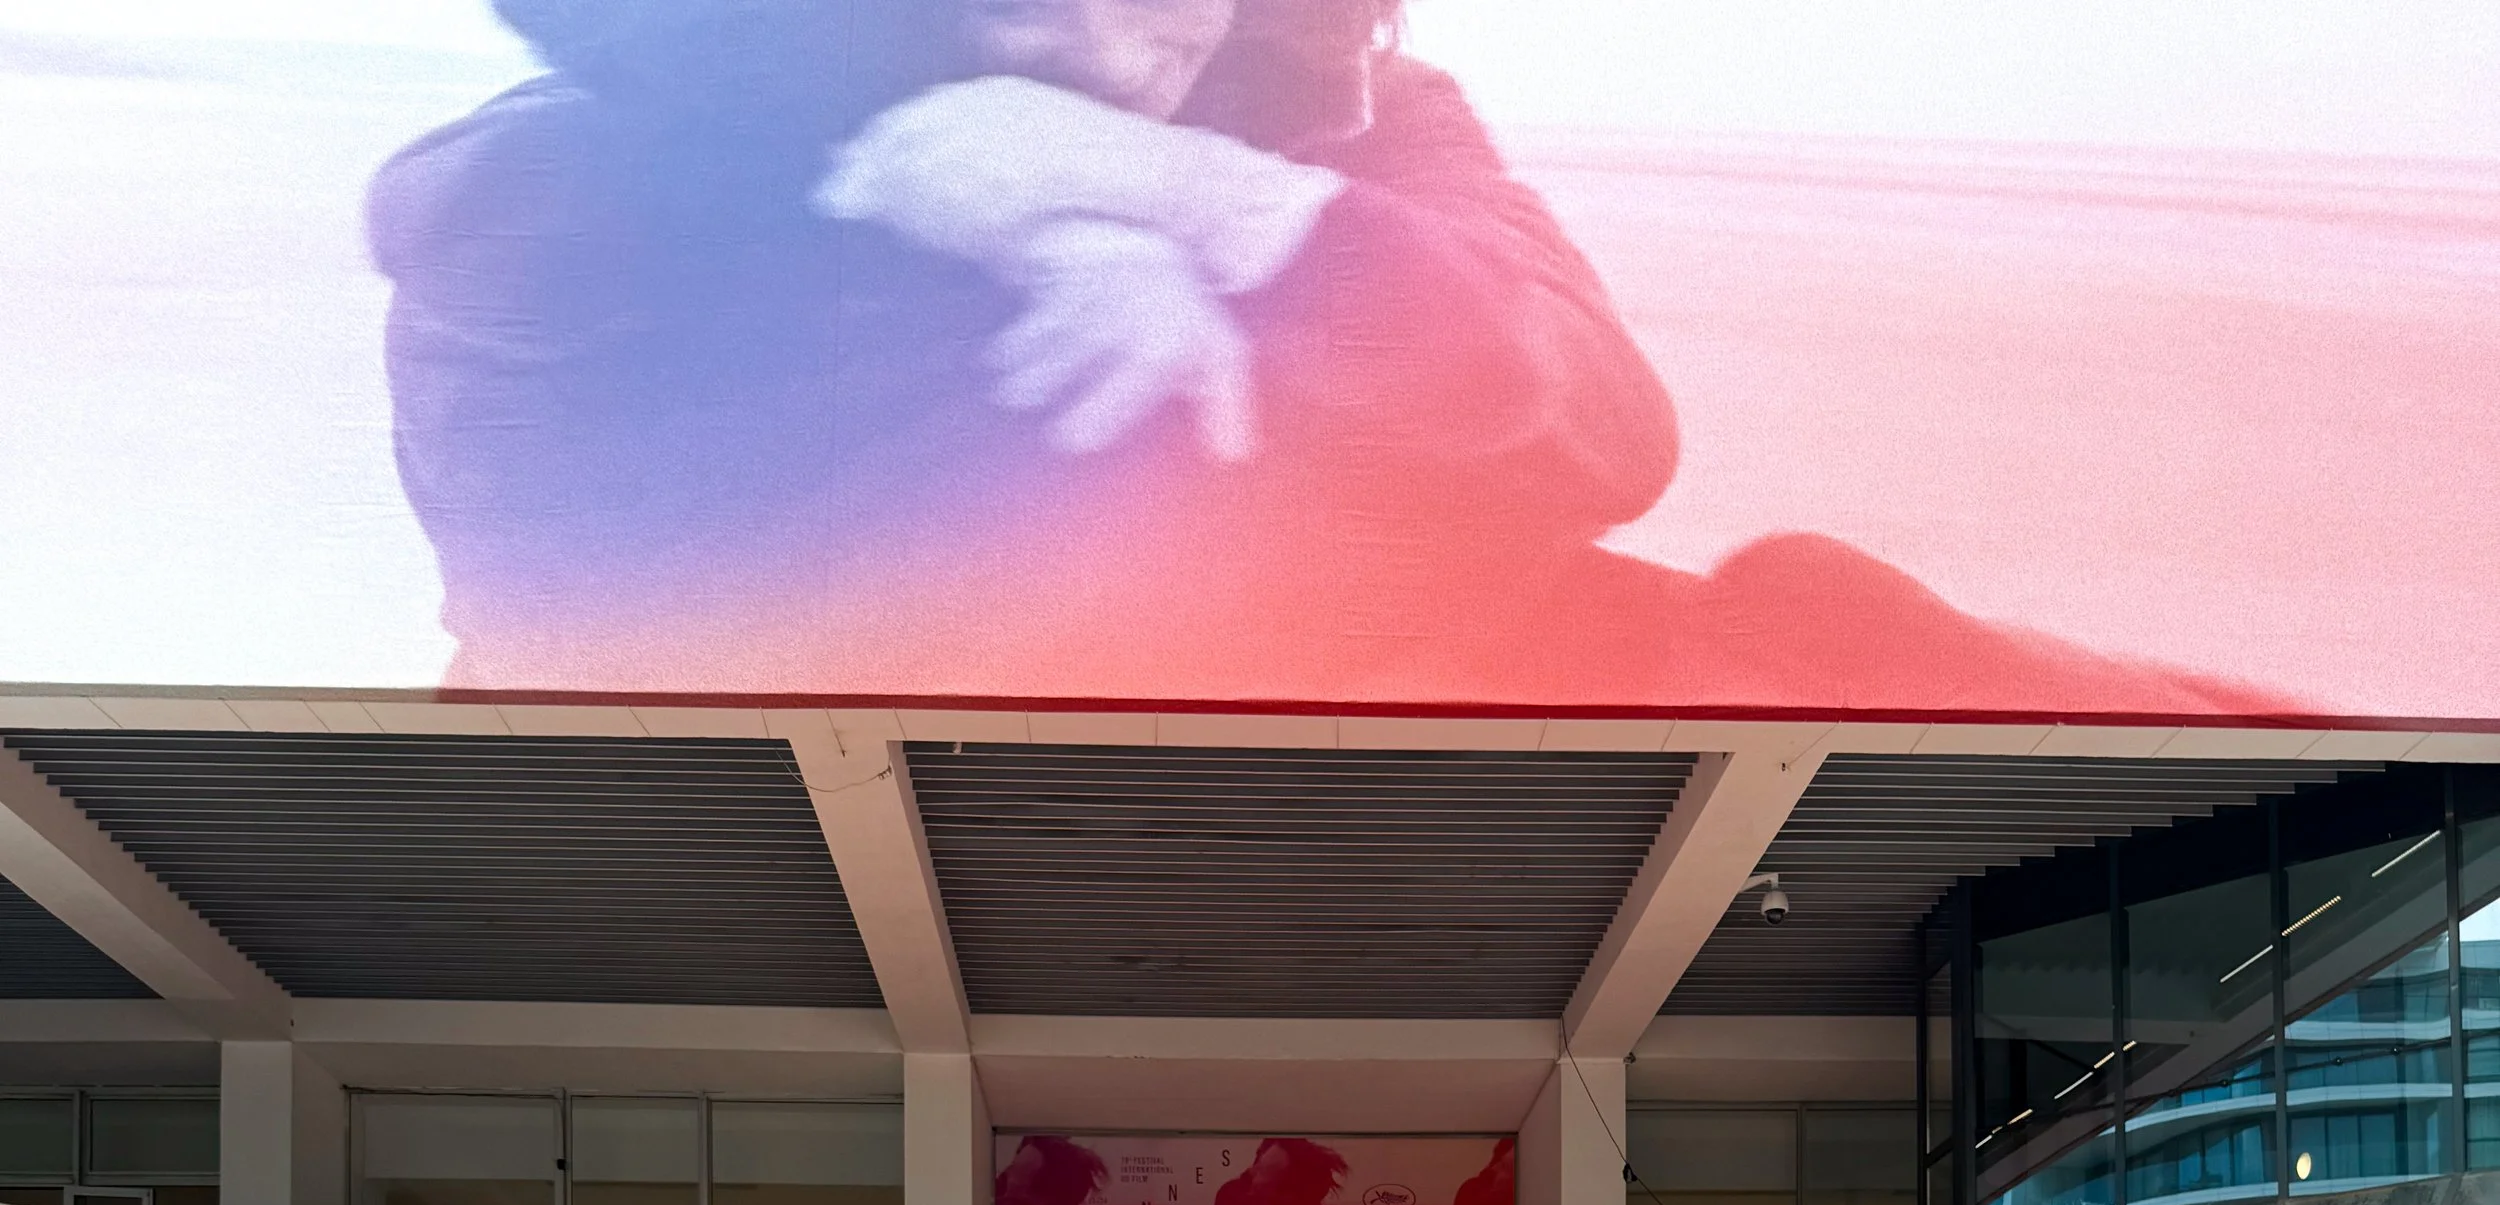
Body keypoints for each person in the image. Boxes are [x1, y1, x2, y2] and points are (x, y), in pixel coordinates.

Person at [369, 1, 2277, 719]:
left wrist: (1201, 206)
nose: (1116, 46)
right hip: (860, 864)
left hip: (1490, 742)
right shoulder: (545, 196)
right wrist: (1055, 227)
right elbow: (853, 611)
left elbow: (1611, 432)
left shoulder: (1338, 107)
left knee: (1872, 649)